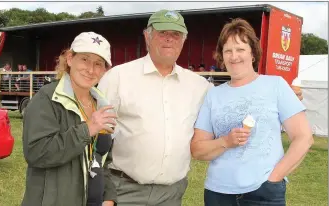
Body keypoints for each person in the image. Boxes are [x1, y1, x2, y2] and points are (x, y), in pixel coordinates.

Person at [99, 10, 304, 206]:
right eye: (162, 33)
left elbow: (243, 96)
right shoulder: (118, 78)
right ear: (147, 36)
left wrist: (275, 177)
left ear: (183, 40)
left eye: (175, 34)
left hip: (171, 194)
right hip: (124, 189)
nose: (169, 39)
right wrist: (102, 189)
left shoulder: (199, 86)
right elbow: (95, 138)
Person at [191, 18, 313, 206]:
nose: (234, 56)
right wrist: (225, 141)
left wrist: (274, 178)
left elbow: (303, 137)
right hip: (218, 194)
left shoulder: (276, 85)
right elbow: (197, 149)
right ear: (221, 56)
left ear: (253, 54)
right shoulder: (213, 95)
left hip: (263, 193)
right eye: (228, 51)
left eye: (240, 49)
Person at [21, 31, 118, 206]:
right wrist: (87, 129)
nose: (90, 69)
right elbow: (36, 153)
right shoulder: (47, 99)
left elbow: (102, 159)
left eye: (98, 64)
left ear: (105, 70)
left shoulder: (102, 103)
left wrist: (109, 196)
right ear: (70, 58)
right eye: (84, 59)